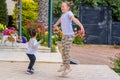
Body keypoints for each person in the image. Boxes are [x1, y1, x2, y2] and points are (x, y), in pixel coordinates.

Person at [53, 2, 85, 76]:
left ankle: (68, 67)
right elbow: (60, 20)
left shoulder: (69, 13)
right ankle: (64, 65)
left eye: (63, 6)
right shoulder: (63, 15)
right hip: (64, 35)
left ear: (68, 8)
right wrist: (55, 25)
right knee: (63, 51)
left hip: (69, 36)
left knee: (66, 51)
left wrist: (81, 25)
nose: (62, 7)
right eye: (61, 6)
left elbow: (74, 19)